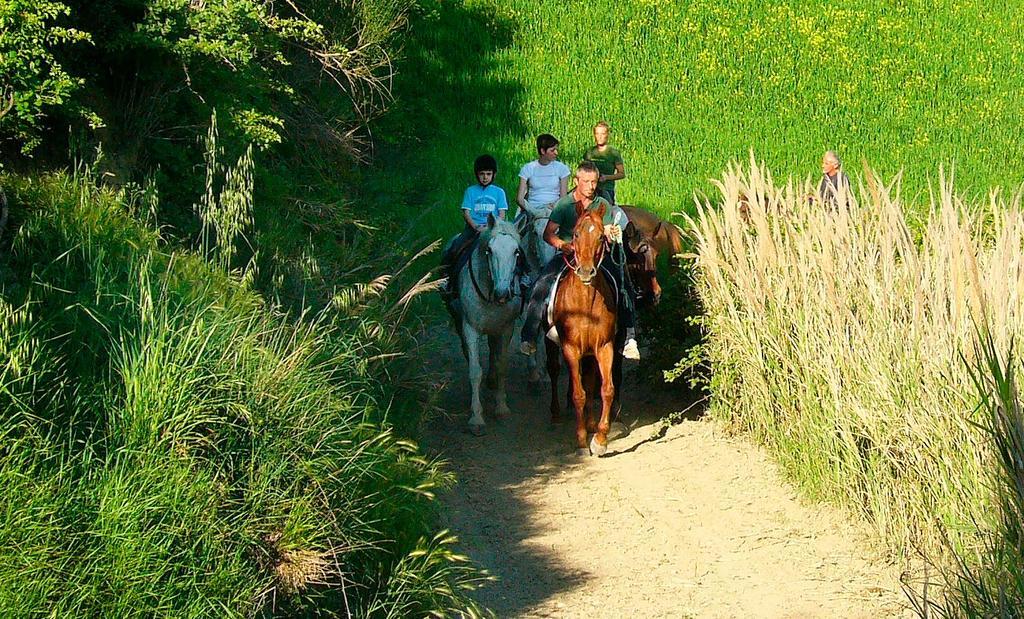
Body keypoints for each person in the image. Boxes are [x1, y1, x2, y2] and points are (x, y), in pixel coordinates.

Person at [519, 161, 640, 360]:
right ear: (577, 181)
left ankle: (629, 337)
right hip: (569, 254)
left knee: (624, 284)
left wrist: (612, 232)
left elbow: (607, 230)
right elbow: (548, 234)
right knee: (542, 283)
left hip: (596, 256)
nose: (591, 186)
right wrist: (562, 245)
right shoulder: (565, 204)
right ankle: (529, 335)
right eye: (586, 181)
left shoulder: (602, 204)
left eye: (593, 182)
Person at [441, 154, 508, 296]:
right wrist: (476, 227)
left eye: (488, 174)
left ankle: (522, 277)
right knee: (455, 247)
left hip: (494, 229)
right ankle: (447, 279)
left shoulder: (499, 192)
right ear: (477, 175)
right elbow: (466, 212)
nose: (485, 177)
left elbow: (501, 213)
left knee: (511, 250)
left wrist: (494, 227)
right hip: (473, 229)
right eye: (482, 174)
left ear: (494, 175)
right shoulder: (471, 191)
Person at [516, 134, 570, 222]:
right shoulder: (528, 168)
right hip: (532, 209)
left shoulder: (562, 168)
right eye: (552, 150)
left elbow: (563, 197)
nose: (556, 153)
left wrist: (555, 207)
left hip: (554, 209)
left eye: (556, 149)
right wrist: (533, 211)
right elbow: (519, 199)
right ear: (543, 151)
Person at [584, 121, 626, 204]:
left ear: (607, 135)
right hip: (590, 188)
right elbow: (583, 169)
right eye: (597, 134)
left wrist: (606, 177)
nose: (599, 137)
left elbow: (621, 174)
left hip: (606, 188)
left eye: (602, 134)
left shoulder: (613, 153)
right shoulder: (589, 152)